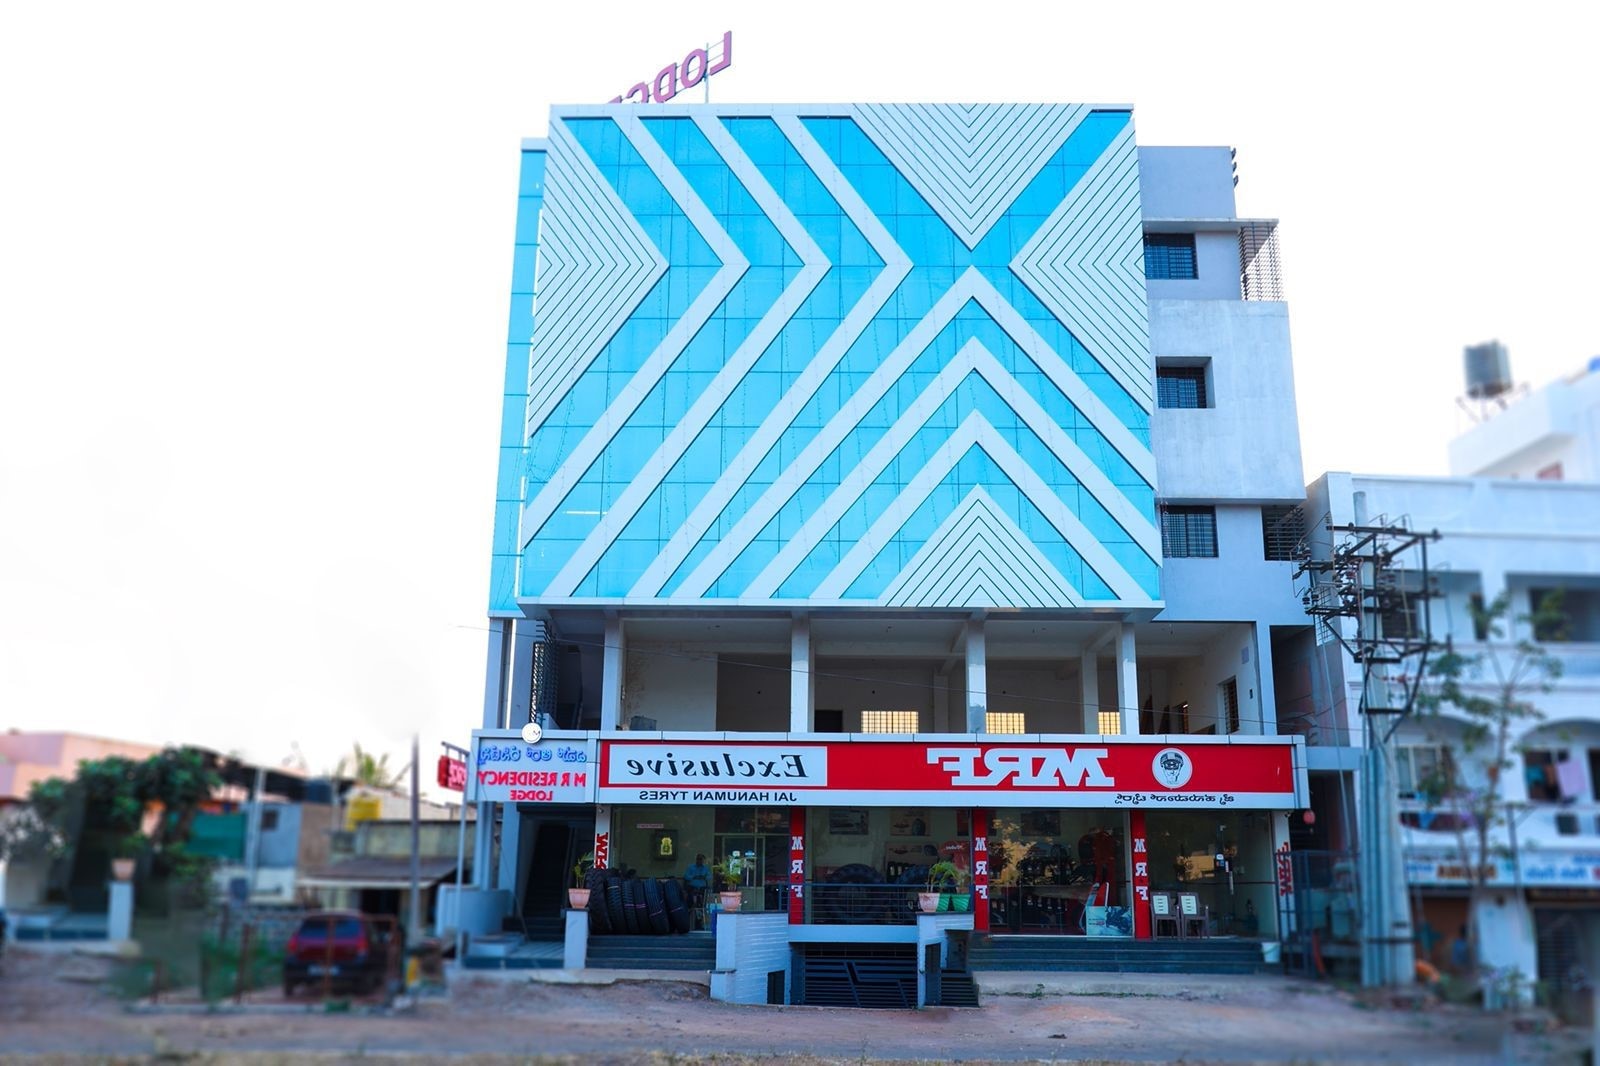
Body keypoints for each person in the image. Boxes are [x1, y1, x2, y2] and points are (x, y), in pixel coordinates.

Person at [685, 853, 711, 928]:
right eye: (698, 859)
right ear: (696, 859)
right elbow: (686, 876)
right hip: (692, 888)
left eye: (701, 859)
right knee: (690, 905)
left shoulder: (705, 868)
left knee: (700, 905)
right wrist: (694, 876)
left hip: (702, 889)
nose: (699, 861)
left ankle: (698, 923)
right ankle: (687, 922)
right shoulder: (691, 867)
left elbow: (709, 877)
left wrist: (704, 877)